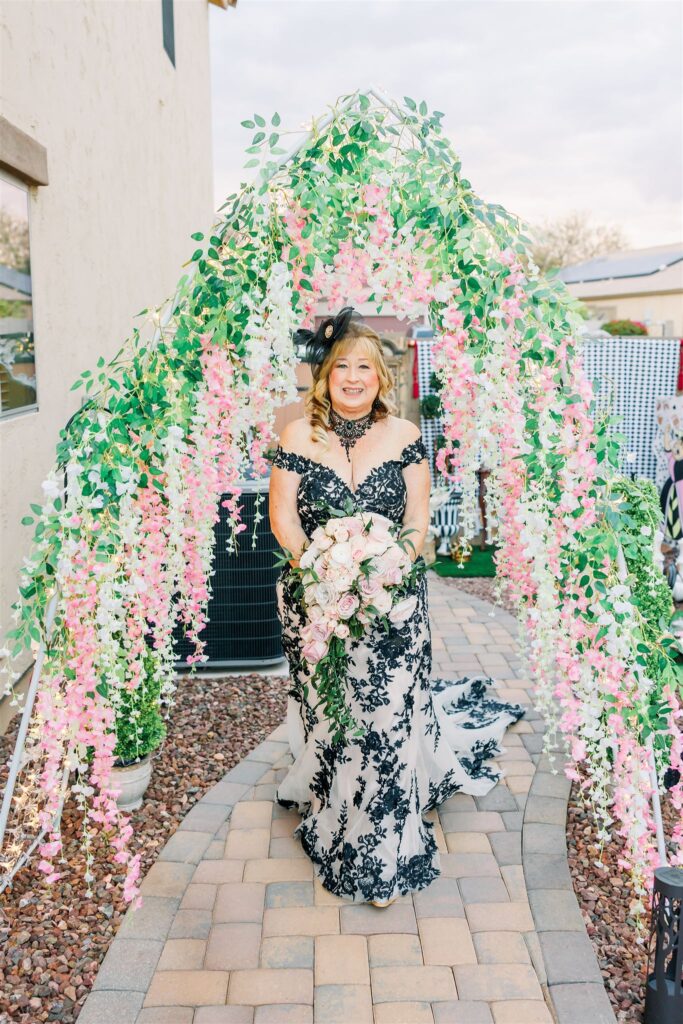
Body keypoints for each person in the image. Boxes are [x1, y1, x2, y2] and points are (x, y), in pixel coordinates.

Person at [268, 306, 524, 906]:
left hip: (394, 604)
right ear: (323, 375)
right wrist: (326, 571)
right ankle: (332, 804)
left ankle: (382, 849)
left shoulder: (406, 438)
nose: (353, 377)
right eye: (341, 367)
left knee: (385, 723)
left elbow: (416, 521)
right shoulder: (295, 436)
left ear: (381, 378)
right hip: (317, 603)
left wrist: (386, 563)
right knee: (334, 717)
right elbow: (283, 518)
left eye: (365, 367)